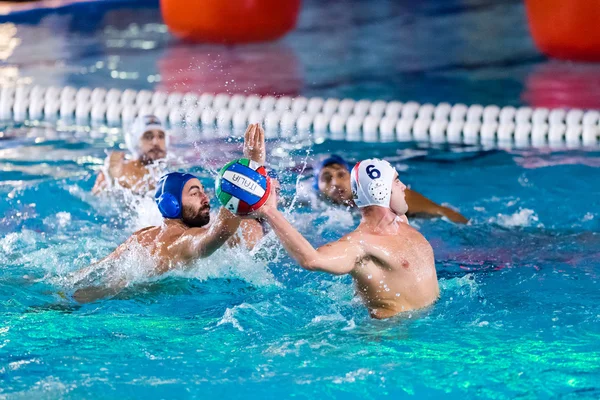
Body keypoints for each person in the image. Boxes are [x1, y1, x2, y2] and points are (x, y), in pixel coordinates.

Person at [72, 123, 267, 303]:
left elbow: (92, 271)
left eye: (202, 191)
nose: (205, 198)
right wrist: (252, 168)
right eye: (195, 193)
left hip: (88, 300)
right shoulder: (183, 242)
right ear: (171, 204)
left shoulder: (142, 236)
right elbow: (221, 230)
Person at [252, 158, 440, 319]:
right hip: (392, 338)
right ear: (381, 189)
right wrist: (269, 211)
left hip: (433, 324)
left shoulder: (401, 221)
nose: (404, 186)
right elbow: (311, 259)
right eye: (397, 181)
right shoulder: (360, 246)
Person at [301, 154, 468, 223]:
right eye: (327, 178)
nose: (336, 183)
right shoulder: (319, 204)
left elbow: (442, 211)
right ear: (318, 187)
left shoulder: (383, 194)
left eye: (341, 175)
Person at [92, 114, 168, 195]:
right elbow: (95, 198)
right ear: (134, 142)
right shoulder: (118, 171)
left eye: (161, 136)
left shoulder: (166, 171)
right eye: (148, 137)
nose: (156, 142)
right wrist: (112, 181)